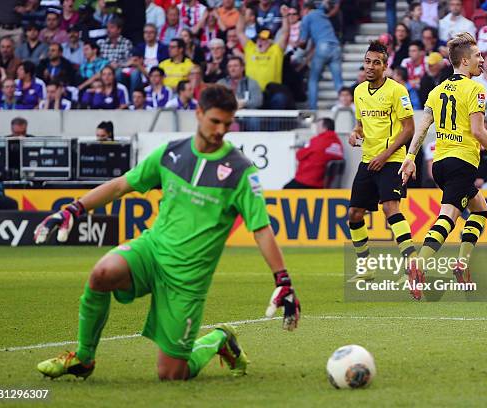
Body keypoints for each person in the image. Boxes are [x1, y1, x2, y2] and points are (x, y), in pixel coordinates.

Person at [34, 84, 300, 381]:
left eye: (227, 123)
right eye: (215, 121)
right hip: (153, 251)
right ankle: (83, 358)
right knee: (102, 273)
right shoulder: (171, 154)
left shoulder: (240, 170)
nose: (221, 130)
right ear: (198, 114)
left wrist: (283, 279)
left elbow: (261, 229)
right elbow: (122, 184)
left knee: (172, 374)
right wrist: (74, 208)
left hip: (188, 279)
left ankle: (218, 340)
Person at [400, 32, 487, 298]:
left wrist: (410, 157)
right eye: (477, 55)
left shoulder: (437, 90)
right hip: (462, 161)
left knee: (480, 209)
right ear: (464, 61)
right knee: (449, 216)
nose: (482, 59)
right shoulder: (476, 89)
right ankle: (418, 264)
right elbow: (478, 131)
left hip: (440, 164)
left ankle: (462, 264)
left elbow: (421, 128)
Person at [346, 40, 417, 285]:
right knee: (354, 214)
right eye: (367, 61)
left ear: (385, 66)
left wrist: (385, 155)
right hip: (368, 160)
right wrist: (355, 133)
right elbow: (361, 125)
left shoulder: (397, 91)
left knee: (390, 208)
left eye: (376, 62)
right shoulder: (358, 92)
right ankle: (365, 266)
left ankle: (412, 266)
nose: (370, 66)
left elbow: (410, 129)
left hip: (391, 159)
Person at [298, 1, 342, 110]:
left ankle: (313, 110)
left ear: (305, 9)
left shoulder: (307, 17)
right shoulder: (321, 13)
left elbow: (303, 42)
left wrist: (296, 44)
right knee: (338, 81)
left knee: (313, 80)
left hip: (323, 46)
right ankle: (344, 106)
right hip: (336, 46)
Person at [236, 10, 288, 94]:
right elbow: (239, 32)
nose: (260, 42)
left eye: (264, 40)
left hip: (272, 92)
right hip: (253, 93)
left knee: (280, 98)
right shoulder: (250, 48)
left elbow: (285, 33)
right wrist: (242, 15)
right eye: (259, 39)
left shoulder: (276, 50)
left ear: (271, 41)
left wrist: (285, 16)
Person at [284, 118, 344, 189]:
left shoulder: (318, 141)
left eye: (318, 127)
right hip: (325, 183)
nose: (317, 130)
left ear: (324, 128)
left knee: (285, 190)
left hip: (308, 180)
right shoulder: (338, 143)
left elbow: (299, 155)